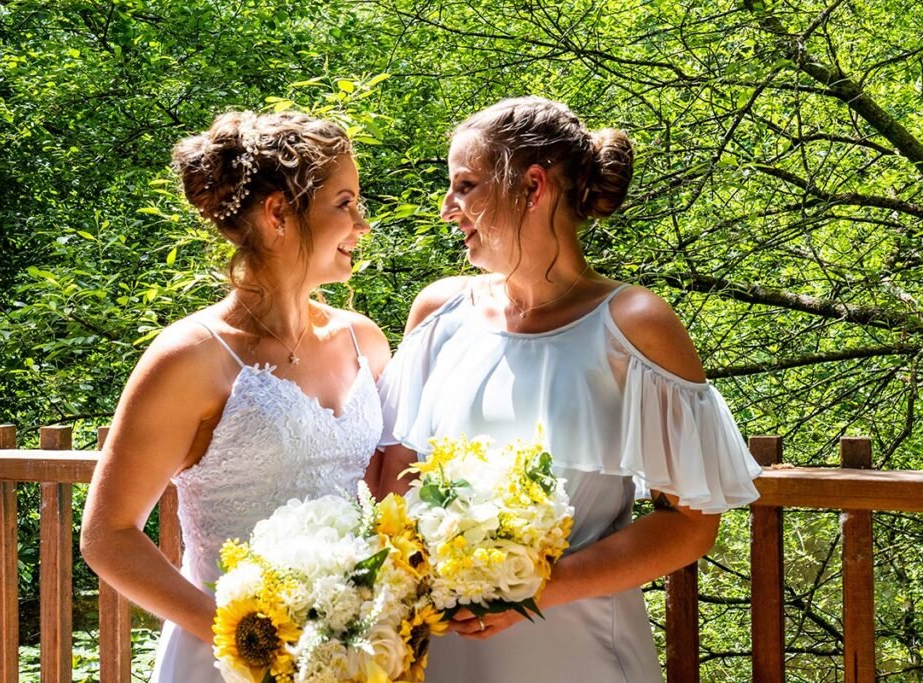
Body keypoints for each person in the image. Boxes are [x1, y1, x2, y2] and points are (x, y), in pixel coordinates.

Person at [375, 96, 762, 682]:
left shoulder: (634, 325)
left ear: (532, 188)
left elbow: (689, 524)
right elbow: (393, 477)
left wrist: (533, 591)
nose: (448, 208)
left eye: (466, 185)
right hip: (441, 647)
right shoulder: (438, 312)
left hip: (578, 648)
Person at [80, 110, 390, 682]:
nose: (362, 224)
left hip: (350, 652)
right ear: (279, 215)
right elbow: (108, 536)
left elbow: (386, 491)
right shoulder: (190, 358)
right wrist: (249, 641)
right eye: (344, 203)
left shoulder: (362, 340)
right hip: (226, 660)